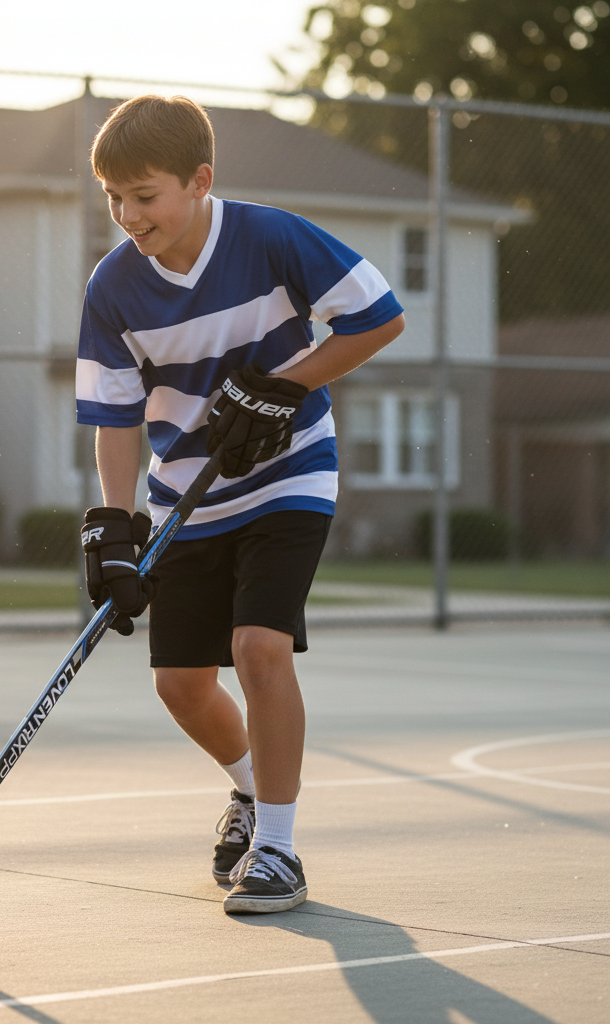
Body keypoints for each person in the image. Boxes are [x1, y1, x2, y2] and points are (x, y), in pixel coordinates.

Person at [75, 95, 405, 914]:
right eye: (113, 197)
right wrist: (118, 526)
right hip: (186, 494)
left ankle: (281, 851)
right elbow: (114, 420)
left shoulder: (269, 237)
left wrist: (283, 387)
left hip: (289, 475)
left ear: (199, 181)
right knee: (181, 686)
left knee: (260, 648)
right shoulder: (113, 287)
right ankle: (252, 795)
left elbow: (378, 318)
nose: (127, 215)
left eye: (144, 196)